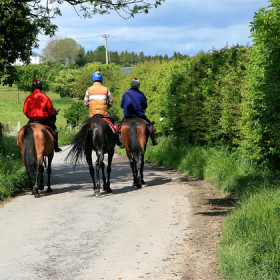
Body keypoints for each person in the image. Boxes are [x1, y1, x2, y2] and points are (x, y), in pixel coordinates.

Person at [84, 71, 123, 147]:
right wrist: (107, 106)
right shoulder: (106, 89)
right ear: (101, 80)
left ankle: (83, 141)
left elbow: (85, 102)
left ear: (93, 80)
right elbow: (111, 101)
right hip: (104, 114)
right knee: (115, 122)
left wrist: (91, 107)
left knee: (84, 126)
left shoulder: (89, 89)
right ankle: (118, 140)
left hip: (92, 114)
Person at [23, 78, 62, 152]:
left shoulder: (28, 98)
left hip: (32, 120)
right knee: (55, 129)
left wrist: (31, 117)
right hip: (44, 120)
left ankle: (23, 147)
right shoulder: (45, 97)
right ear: (41, 87)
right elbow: (50, 109)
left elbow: (25, 111)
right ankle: (56, 146)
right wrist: (49, 116)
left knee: (24, 132)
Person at [120, 78, 158, 146]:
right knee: (150, 125)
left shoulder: (125, 94)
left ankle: (122, 140)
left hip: (128, 115)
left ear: (131, 85)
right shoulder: (141, 94)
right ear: (138, 85)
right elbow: (145, 105)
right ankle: (153, 140)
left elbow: (122, 105)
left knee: (120, 127)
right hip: (139, 115)